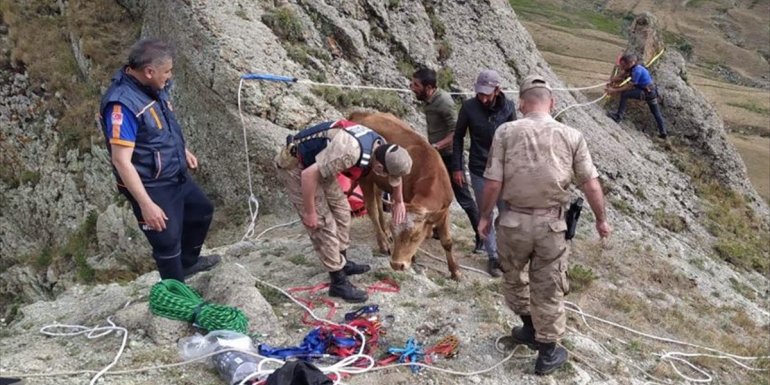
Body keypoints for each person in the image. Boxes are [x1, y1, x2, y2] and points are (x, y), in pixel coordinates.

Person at [478, 75, 612, 375]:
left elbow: (492, 182)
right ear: (552, 103)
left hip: (512, 222)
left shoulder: (505, 132)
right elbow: (590, 184)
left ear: (522, 103)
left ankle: (528, 327)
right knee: (548, 286)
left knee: (513, 277)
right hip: (551, 225)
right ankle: (548, 351)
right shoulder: (572, 136)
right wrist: (602, 220)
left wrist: (485, 217)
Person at [99, 39, 220, 283]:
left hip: (174, 171)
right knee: (166, 239)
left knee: (201, 211)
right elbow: (121, 161)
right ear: (149, 71)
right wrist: (146, 204)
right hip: (151, 184)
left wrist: (181, 150)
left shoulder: (152, 87)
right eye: (167, 71)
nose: (170, 76)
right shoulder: (122, 105)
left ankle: (188, 264)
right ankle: (176, 295)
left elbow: (163, 122)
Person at [275, 120, 412, 303]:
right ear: (379, 168)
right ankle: (338, 281)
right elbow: (308, 175)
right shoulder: (350, 153)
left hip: (322, 166)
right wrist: (310, 212)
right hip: (298, 167)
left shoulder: (382, 146)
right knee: (324, 224)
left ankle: (343, 261)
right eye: (387, 175)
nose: (388, 178)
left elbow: (396, 171)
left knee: (342, 211)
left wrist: (399, 200)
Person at [409, 68, 484, 254]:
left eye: (416, 85)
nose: (411, 87)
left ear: (428, 87)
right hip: (438, 156)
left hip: (451, 157)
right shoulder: (428, 100)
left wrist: (436, 146)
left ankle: (481, 236)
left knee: (463, 197)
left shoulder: (444, 102)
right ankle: (436, 230)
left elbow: (457, 132)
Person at [452, 69, 516, 277]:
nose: (483, 97)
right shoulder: (469, 107)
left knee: (507, 212)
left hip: (505, 171)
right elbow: (458, 137)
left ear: (497, 90)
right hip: (479, 169)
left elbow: (515, 140)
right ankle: (493, 256)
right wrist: (457, 167)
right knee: (485, 212)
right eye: (480, 93)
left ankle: (507, 252)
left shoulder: (509, 108)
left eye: (487, 93)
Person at [605, 53, 668, 139]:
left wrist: (614, 90)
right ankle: (663, 132)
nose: (621, 67)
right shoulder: (633, 68)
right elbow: (622, 75)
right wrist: (611, 80)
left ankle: (618, 117)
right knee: (656, 112)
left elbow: (629, 86)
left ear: (630, 63)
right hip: (651, 92)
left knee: (625, 94)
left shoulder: (636, 71)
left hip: (646, 93)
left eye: (623, 65)